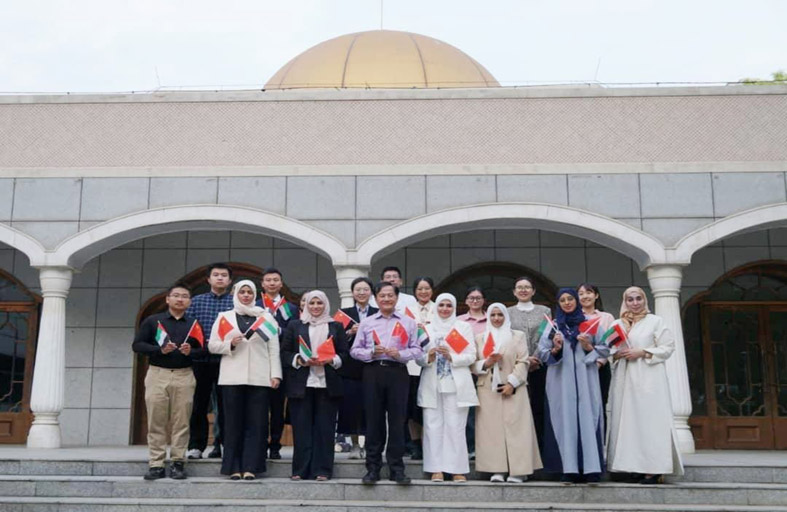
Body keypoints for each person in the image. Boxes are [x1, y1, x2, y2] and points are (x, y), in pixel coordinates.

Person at [607, 287, 684, 484]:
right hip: (625, 378)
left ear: (645, 300)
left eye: (638, 298)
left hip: (649, 379)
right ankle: (635, 467)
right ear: (625, 301)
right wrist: (617, 354)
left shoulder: (656, 321)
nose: (634, 303)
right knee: (629, 424)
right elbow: (608, 351)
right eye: (630, 299)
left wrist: (642, 352)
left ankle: (654, 469)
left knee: (651, 423)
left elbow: (668, 347)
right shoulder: (618, 324)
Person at [350, 281, 422, 485]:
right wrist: (371, 353)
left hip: (398, 372)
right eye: (382, 296)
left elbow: (417, 350)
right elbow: (355, 350)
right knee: (374, 421)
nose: (386, 299)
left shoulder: (408, 322)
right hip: (373, 372)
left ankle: (397, 468)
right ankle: (373, 468)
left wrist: (401, 354)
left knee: (398, 421)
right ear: (376, 298)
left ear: (397, 298)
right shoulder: (367, 322)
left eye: (390, 295)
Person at [208, 280, 282, 480]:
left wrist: (275, 374)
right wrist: (229, 344)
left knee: (257, 424)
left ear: (255, 295)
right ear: (235, 294)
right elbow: (212, 345)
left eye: (250, 292)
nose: (246, 295)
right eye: (243, 292)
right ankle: (233, 467)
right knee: (233, 423)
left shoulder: (265, 317)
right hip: (232, 377)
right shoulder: (225, 317)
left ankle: (252, 467)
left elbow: (273, 348)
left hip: (260, 377)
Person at [132, 283, 205, 480]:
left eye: (184, 296)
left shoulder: (193, 324)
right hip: (158, 374)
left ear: (189, 302)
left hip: (184, 375)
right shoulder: (153, 321)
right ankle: (156, 463)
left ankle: (178, 462)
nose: (180, 299)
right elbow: (137, 345)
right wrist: (159, 350)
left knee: (181, 421)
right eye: (176, 295)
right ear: (168, 299)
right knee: (157, 420)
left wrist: (192, 351)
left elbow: (204, 350)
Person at [538, 288, 608, 483]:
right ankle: (567, 469)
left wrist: (588, 347)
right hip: (561, 383)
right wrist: (556, 349)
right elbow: (541, 353)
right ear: (558, 304)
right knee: (564, 420)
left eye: (570, 299)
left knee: (589, 418)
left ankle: (591, 469)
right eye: (563, 300)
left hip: (586, 381)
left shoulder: (590, 325)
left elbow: (605, 349)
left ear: (577, 301)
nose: (567, 303)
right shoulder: (552, 327)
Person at [281, 290, 349, 481]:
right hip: (302, 385)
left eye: (319, 303)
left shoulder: (335, 326)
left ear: (326, 304)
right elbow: (285, 353)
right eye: (312, 303)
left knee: (325, 429)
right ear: (305, 305)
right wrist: (299, 360)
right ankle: (300, 470)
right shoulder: (295, 325)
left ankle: (323, 470)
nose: (316, 307)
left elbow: (345, 354)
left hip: (328, 385)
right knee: (301, 428)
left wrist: (331, 360)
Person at [474, 303, 542, 482]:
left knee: (517, 429)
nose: (496, 318)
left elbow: (524, 361)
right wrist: (487, 363)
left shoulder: (517, 336)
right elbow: (473, 364)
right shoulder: (481, 338)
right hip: (488, 389)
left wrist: (512, 382)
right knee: (492, 431)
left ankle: (519, 470)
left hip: (514, 388)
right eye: (493, 315)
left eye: (500, 315)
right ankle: (497, 469)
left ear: (506, 316)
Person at [417, 293, 478, 483]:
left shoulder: (463, 327)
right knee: (432, 426)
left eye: (448, 305)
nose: (444, 309)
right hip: (432, 384)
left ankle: (457, 469)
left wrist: (452, 356)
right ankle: (436, 469)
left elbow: (471, 356)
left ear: (454, 308)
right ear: (436, 308)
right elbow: (417, 356)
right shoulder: (426, 328)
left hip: (456, 384)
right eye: (441, 305)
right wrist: (429, 357)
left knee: (456, 427)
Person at [186, 263, 233, 460]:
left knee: (226, 406)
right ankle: (196, 445)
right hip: (201, 360)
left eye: (224, 275)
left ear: (230, 281)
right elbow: (189, 330)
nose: (220, 278)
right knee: (199, 404)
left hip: (228, 361)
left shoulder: (235, 302)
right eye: (216, 275)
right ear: (208, 279)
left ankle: (223, 446)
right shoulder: (196, 302)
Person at [258, 267, 300, 460]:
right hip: (259, 361)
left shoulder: (290, 308)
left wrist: (278, 331)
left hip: (281, 363)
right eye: (268, 280)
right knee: (258, 407)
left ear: (281, 284)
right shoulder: (256, 306)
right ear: (263, 284)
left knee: (277, 407)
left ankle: (275, 444)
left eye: (276, 280)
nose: (272, 283)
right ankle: (258, 444)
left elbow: (295, 334)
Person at [336, 277, 378, 459]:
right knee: (351, 407)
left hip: (373, 365)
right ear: (352, 292)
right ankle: (354, 445)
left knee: (372, 406)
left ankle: (370, 444)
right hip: (350, 369)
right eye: (358, 290)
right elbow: (335, 341)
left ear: (371, 292)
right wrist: (349, 332)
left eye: (365, 289)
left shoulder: (379, 313)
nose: (361, 293)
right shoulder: (343, 314)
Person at [507, 277, 551, 449]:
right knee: (517, 407)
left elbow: (546, 336)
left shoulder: (544, 311)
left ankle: (539, 446)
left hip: (539, 365)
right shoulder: (508, 312)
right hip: (516, 366)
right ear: (514, 291)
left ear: (533, 291)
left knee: (538, 405)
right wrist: (524, 360)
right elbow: (507, 337)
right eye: (519, 287)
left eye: (527, 287)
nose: (523, 290)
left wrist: (535, 357)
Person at [577, 283, 615, 435]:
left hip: (601, 367)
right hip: (579, 366)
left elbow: (611, 343)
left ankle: (600, 446)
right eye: (581, 293)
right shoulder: (575, 317)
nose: (585, 296)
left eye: (589, 292)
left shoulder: (606, 317)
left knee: (600, 404)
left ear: (596, 295)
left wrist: (600, 362)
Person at [406, 276, 435, 460]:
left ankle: (430, 444)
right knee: (412, 408)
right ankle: (415, 444)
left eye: (427, 288)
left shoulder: (440, 307)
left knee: (429, 406)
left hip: (433, 364)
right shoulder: (407, 311)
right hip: (411, 365)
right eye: (420, 289)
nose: (423, 292)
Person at [456, 285, 487, 457]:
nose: (475, 301)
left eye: (478, 298)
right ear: (466, 301)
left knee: (486, 411)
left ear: (483, 301)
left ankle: (485, 446)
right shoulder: (459, 321)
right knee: (468, 412)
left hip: (486, 371)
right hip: (465, 371)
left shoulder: (492, 319)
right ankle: (469, 447)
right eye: (471, 298)